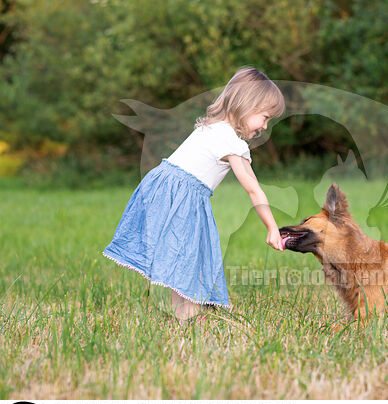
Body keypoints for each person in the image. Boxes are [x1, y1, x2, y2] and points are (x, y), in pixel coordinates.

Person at [102, 66, 285, 323]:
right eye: (265, 117)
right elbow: (253, 189)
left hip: (161, 185)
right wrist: (272, 227)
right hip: (183, 195)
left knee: (187, 255)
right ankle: (188, 315)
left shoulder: (211, 127)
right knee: (191, 256)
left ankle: (189, 313)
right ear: (246, 105)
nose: (265, 126)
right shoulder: (232, 143)